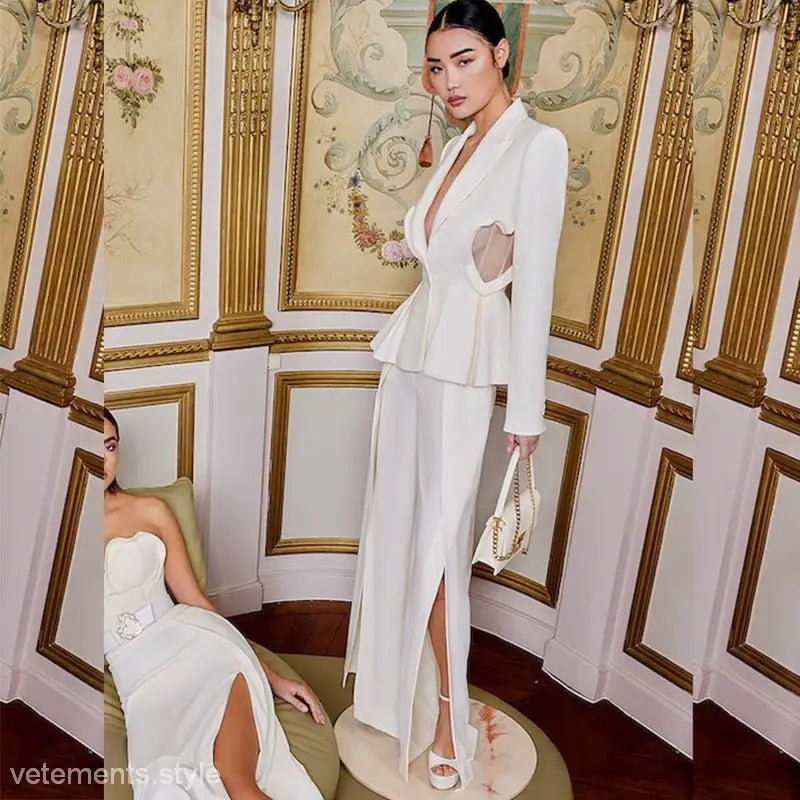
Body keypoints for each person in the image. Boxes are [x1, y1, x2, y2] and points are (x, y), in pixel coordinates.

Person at [342, 0, 569, 791]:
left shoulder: (538, 147)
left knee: (441, 552)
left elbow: (530, 286)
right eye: (436, 66)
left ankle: (448, 723)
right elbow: (449, 251)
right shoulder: (463, 147)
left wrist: (529, 413)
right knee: (401, 529)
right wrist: (407, 240)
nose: (448, 81)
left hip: (465, 370)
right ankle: (396, 698)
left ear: (501, 54)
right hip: (411, 360)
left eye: (465, 60)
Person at [103, 407, 326, 800]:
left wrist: (274, 679)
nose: (102, 460)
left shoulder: (150, 510)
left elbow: (194, 599)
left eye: (109, 446)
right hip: (138, 678)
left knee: (234, 780)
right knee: (166, 784)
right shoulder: (58, 528)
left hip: (199, 647)